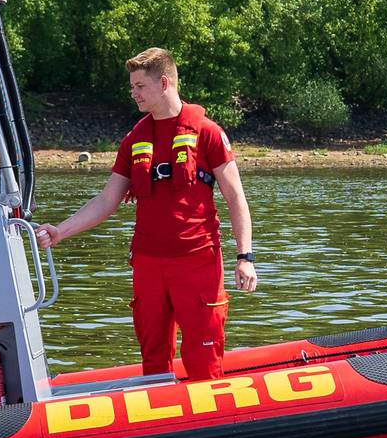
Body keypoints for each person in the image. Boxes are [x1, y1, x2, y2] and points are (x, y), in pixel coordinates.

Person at [32, 47, 256, 381]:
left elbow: (236, 197)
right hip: (148, 265)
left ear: (164, 83)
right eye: (132, 87)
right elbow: (106, 200)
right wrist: (60, 231)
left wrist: (245, 257)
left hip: (197, 262)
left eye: (139, 86)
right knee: (153, 360)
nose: (133, 93)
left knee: (204, 359)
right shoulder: (135, 139)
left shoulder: (207, 132)